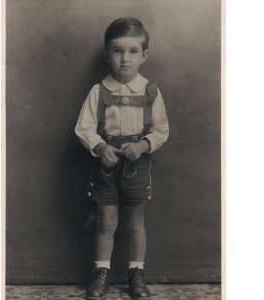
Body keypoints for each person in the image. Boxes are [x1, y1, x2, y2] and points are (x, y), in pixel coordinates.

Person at [75, 17, 169, 300]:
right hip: (106, 166)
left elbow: (162, 129)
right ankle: (101, 273)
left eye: (132, 51)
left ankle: (136, 274)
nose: (124, 59)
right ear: (108, 54)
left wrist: (142, 146)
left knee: (135, 222)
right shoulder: (98, 91)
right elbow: (84, 128)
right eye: (117, 51)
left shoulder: (150, 91)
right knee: (106, 221)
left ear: (144, 55)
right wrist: (101, 147)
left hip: (137, 165)